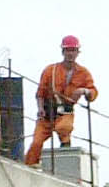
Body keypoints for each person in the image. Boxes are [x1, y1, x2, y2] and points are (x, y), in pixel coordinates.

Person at [24, 35, 96, 167]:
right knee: (36, 143)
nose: (70, 53)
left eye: (73, 50)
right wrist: (40, 109)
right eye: (68, 50)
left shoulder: (83, 73)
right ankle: (30, 165)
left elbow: (93, 92)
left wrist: (83, 91)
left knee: (64, 129)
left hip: (65, 113)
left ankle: (65, 162)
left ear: (77, 52)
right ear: (63, 52)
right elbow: (40, 92)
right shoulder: (50, 70)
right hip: (47, 113)